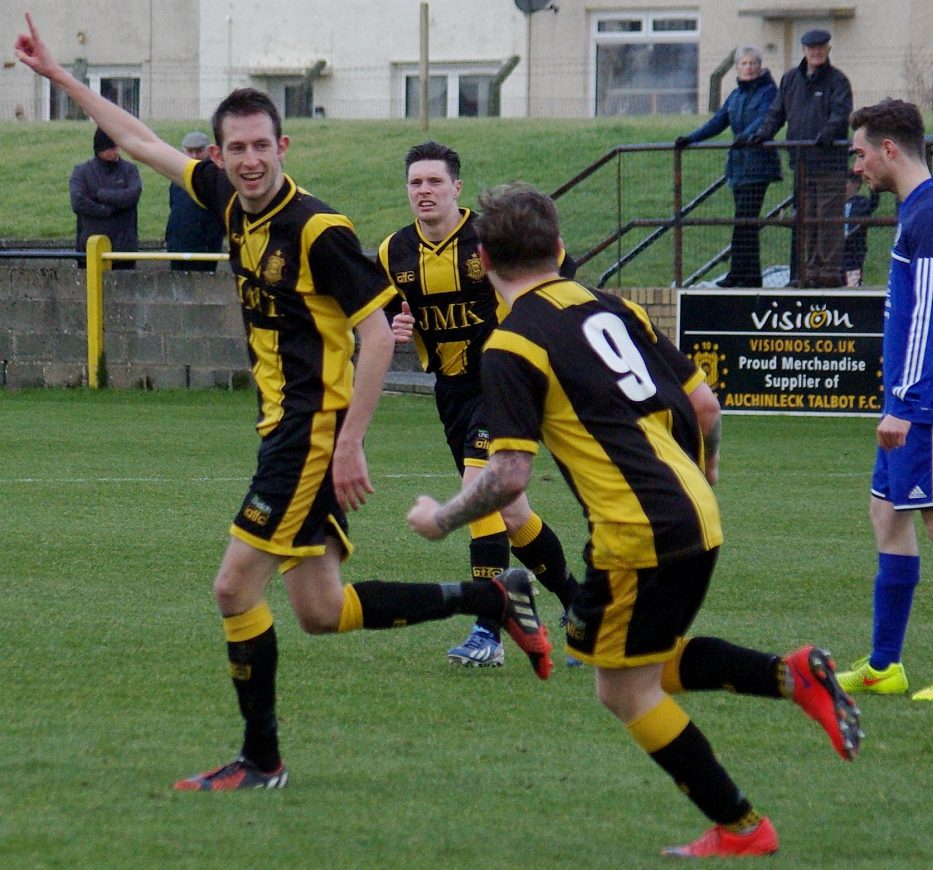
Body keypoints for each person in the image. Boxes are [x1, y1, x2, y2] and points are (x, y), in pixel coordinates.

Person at [16, 12, 554, 792]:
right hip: (285, 428)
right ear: (221, 153)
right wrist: (62, 79)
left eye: (260, 146)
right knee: (319, 611)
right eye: (234, 148)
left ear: (282, 148)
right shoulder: (230, 203)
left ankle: (261, 761)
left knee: (234, 588)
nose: (247, 160)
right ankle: (491, 594)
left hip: (308, 434)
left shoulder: (318, 228)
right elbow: (138, 141)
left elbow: (377, 333)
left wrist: (348, 443)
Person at [408, 181, 862, 859]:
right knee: (632, 669)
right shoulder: (612, 306)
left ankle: (744, 825)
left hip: (638, 531)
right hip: (693, 514)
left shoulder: (510, 346)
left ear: (481, 262)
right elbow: (706, 406)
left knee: (622, 690)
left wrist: (440, 519)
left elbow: (507, 476)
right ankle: (791, 675)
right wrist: (702, 476)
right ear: (560, 248)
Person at [378, 141, 580, 668]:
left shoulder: (489, 236)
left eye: (435, 182)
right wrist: (396, 326)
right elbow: (380, 314)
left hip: (504, 379)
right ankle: (583, 608)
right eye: (416, 183)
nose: (424, 191)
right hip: (452, 391)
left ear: (456, 188)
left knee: (478, 490)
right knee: (511, 511)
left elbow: (559, 263)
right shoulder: (392, 252)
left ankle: (488, 629)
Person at [836, 99, 933, 702]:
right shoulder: (921, 211)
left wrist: (904, 402)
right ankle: (885, 664)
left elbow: (927, 318)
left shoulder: (932, 218)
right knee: (886, 515)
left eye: (861, 152)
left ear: (890, 149)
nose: (858, 166)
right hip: (911, 402)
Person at [749, 29, 853, 288]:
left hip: (829, 163)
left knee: (828, 219)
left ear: (828, 49)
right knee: (806, 219)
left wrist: (826, 134)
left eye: (821, 47)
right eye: (811, 48)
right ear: (804, 50)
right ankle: (807, 271)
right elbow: (776, 113)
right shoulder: (790, 80)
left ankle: (827, 272)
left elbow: (841, 113)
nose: (816, 52)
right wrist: (762, 134)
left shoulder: (838, 81)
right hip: (802, 164)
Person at [674, 46, 781, 288]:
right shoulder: (735, 96)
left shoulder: (768, 92)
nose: (749, 68)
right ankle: (747, 274)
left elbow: (766, 118)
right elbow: (718, 121)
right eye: (744, 63)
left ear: (760, 66)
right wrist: (691, 138)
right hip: (739, 167)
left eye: (753, 63)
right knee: (743, 220)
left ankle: (743, 274)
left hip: (758, 166)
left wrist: (747, 136)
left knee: (746, 219)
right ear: (737, 67)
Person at [70, 126, 142, 269]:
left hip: (123, 251)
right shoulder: (82, 172)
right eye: (112, 148)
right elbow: (78, 201)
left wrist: (99, 195)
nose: (117, 151)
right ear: (100, 149)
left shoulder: (129, 170)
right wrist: (107, 210)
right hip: (90, 251)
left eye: (117, 147)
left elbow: (132, 195)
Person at [165, 130, 225, 272]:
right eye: (190, 151)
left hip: (204, 246)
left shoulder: (217, 176)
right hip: (177, 243)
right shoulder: (178, 177)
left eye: (199, 151)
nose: (194, 156)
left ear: (209, 151)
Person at [842, 172, 878, 287]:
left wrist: (873, 188)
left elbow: (873, 204)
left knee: (853, 279)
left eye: (846, 183)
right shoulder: (836, 204)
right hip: (838, 248)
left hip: (854, 249)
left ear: (856, 185)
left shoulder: (861, 202)